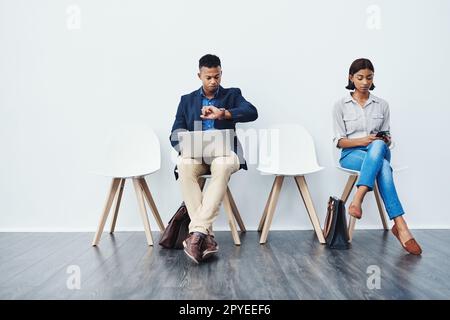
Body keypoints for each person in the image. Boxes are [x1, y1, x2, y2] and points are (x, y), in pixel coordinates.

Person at [170, 54, 258, 263]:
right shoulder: (187, 100)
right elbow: (175, 132)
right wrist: (186, 147)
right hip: (198, 156)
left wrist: (224, 114)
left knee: (221, 164)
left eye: (217, 76)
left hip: (227, 154)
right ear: (199, 75)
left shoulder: (232, 94)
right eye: (208, 77)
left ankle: (196, 233)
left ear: (221, 73)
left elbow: (251, 112)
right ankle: (204, 237)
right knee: (183, 165)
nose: (213, 81)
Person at [332, 58, 422, 255]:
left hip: (379, 149)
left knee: (379, 145)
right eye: (360, 77)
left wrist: (383, 139)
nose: (365, 82)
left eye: (369, 78)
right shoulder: (340, 105)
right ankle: (401, 225)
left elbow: (387, 136)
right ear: (351, 78)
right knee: (382, 167)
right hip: (351, 154)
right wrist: (363, 141)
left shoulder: (382, 105)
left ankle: (358, 197)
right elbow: (339, 141)